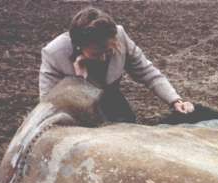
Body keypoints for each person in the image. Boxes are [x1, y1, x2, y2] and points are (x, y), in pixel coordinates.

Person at [39, 7, 194, 122]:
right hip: (75, 113)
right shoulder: (54, 53)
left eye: (109, 50)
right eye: (96, 53)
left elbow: (147, 72)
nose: (103, 58)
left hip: (111, 99)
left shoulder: (119, 35)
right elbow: (48, 106)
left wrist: (174, 100)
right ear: (78, 45)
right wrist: (78, 81)